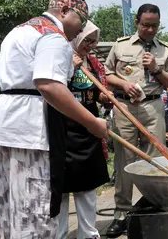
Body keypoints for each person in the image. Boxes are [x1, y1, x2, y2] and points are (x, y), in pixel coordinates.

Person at [0, 0, 108, 238]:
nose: (80, 30)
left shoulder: (19, 30)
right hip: (28, 130)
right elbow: (49, 85)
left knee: (8, 208)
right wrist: (92, 124)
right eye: (81, 21)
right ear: (65, 11)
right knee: (33, 212)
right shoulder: (53, 36)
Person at [104, 3, 168, 237]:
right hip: (125, 106)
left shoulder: (165, 49)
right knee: (124, 159)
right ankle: (122, 213)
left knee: (157, 155)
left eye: (154, 26)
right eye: (145, 25)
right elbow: (107, 74)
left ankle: (154, 206)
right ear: (137, 22)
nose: (150, 30)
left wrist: (157, 69)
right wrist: (123, 84)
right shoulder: (121, 45)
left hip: (153, 105)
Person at [57, 21, 110, 239]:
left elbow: (99, 91)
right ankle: (58, 233)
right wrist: (71, 68)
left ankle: (88, 233)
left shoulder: (94, 63)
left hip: (88, 128)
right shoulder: (60, 55)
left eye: (93, 42)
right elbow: (51, 85)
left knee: (87, 185)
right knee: (59, 186)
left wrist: (105, 97)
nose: (89, 45)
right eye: (86, 39)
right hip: (62, 128)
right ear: (77, 36)